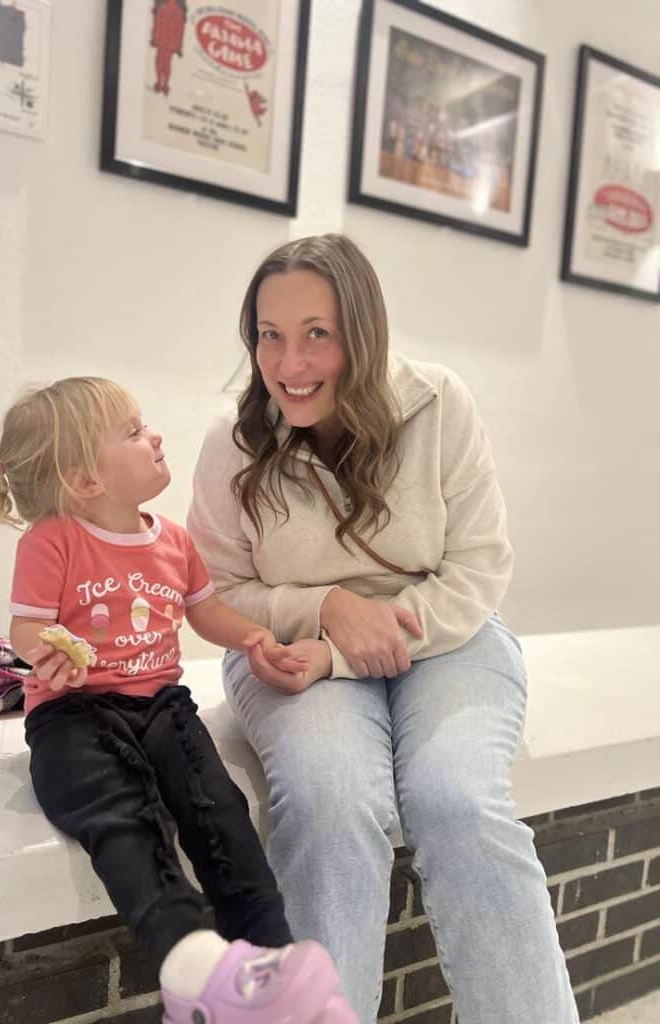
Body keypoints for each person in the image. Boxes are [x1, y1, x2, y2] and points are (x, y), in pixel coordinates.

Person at [187, 234, 580, 1024]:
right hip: (291, 653)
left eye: (316, 334)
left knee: (457, 801)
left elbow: (478, 567)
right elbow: (218, 590)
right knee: (330, 801)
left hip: (450, 640)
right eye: (270, 335)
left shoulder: (439, 404)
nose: (288, 363)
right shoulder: (234, 444)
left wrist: (351, 648)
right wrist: (326, 611)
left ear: (362, 335)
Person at [0, 376, 356, 1024]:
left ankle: (271, 965)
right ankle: (192, 965)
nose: (153, 435)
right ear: (86, 481)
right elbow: (27, 628)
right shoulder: (52, 542)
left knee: (220, 810)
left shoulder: (173, 541)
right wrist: (49, 651)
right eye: (132, 431)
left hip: (161, 706)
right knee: (117, 810)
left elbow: (206, 615)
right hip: (74, 712)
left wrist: (256, 635)